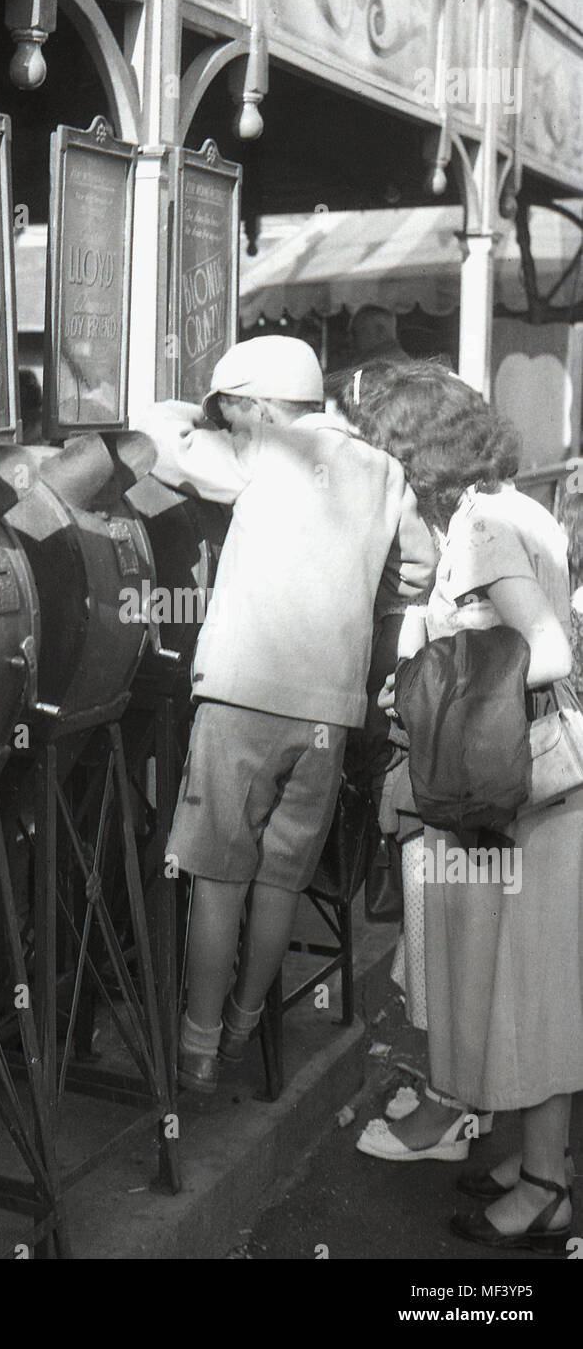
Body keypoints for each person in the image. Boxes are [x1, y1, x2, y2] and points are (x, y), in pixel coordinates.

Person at [135, 335, 435, 1092]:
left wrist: (193, 411)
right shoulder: (384, 468)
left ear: (261, 405)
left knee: (215, 876)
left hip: (242, 698)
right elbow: (420, 567)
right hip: (327, 712)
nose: (227, 426)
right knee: (278, 883)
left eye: (232, 411)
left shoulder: (263, 453)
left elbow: (158, 439)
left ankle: (197, 1048)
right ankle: (242, 1030)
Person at [349, 359, 581, 1252]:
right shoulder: (516, 505)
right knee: (532, 987)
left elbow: (547, 649)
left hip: (514, 791)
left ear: (413, 458)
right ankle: (530, 1159)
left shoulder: (479, 527)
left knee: (526, 995)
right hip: (538, 784)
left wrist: (422, 686)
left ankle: (543, 1189)